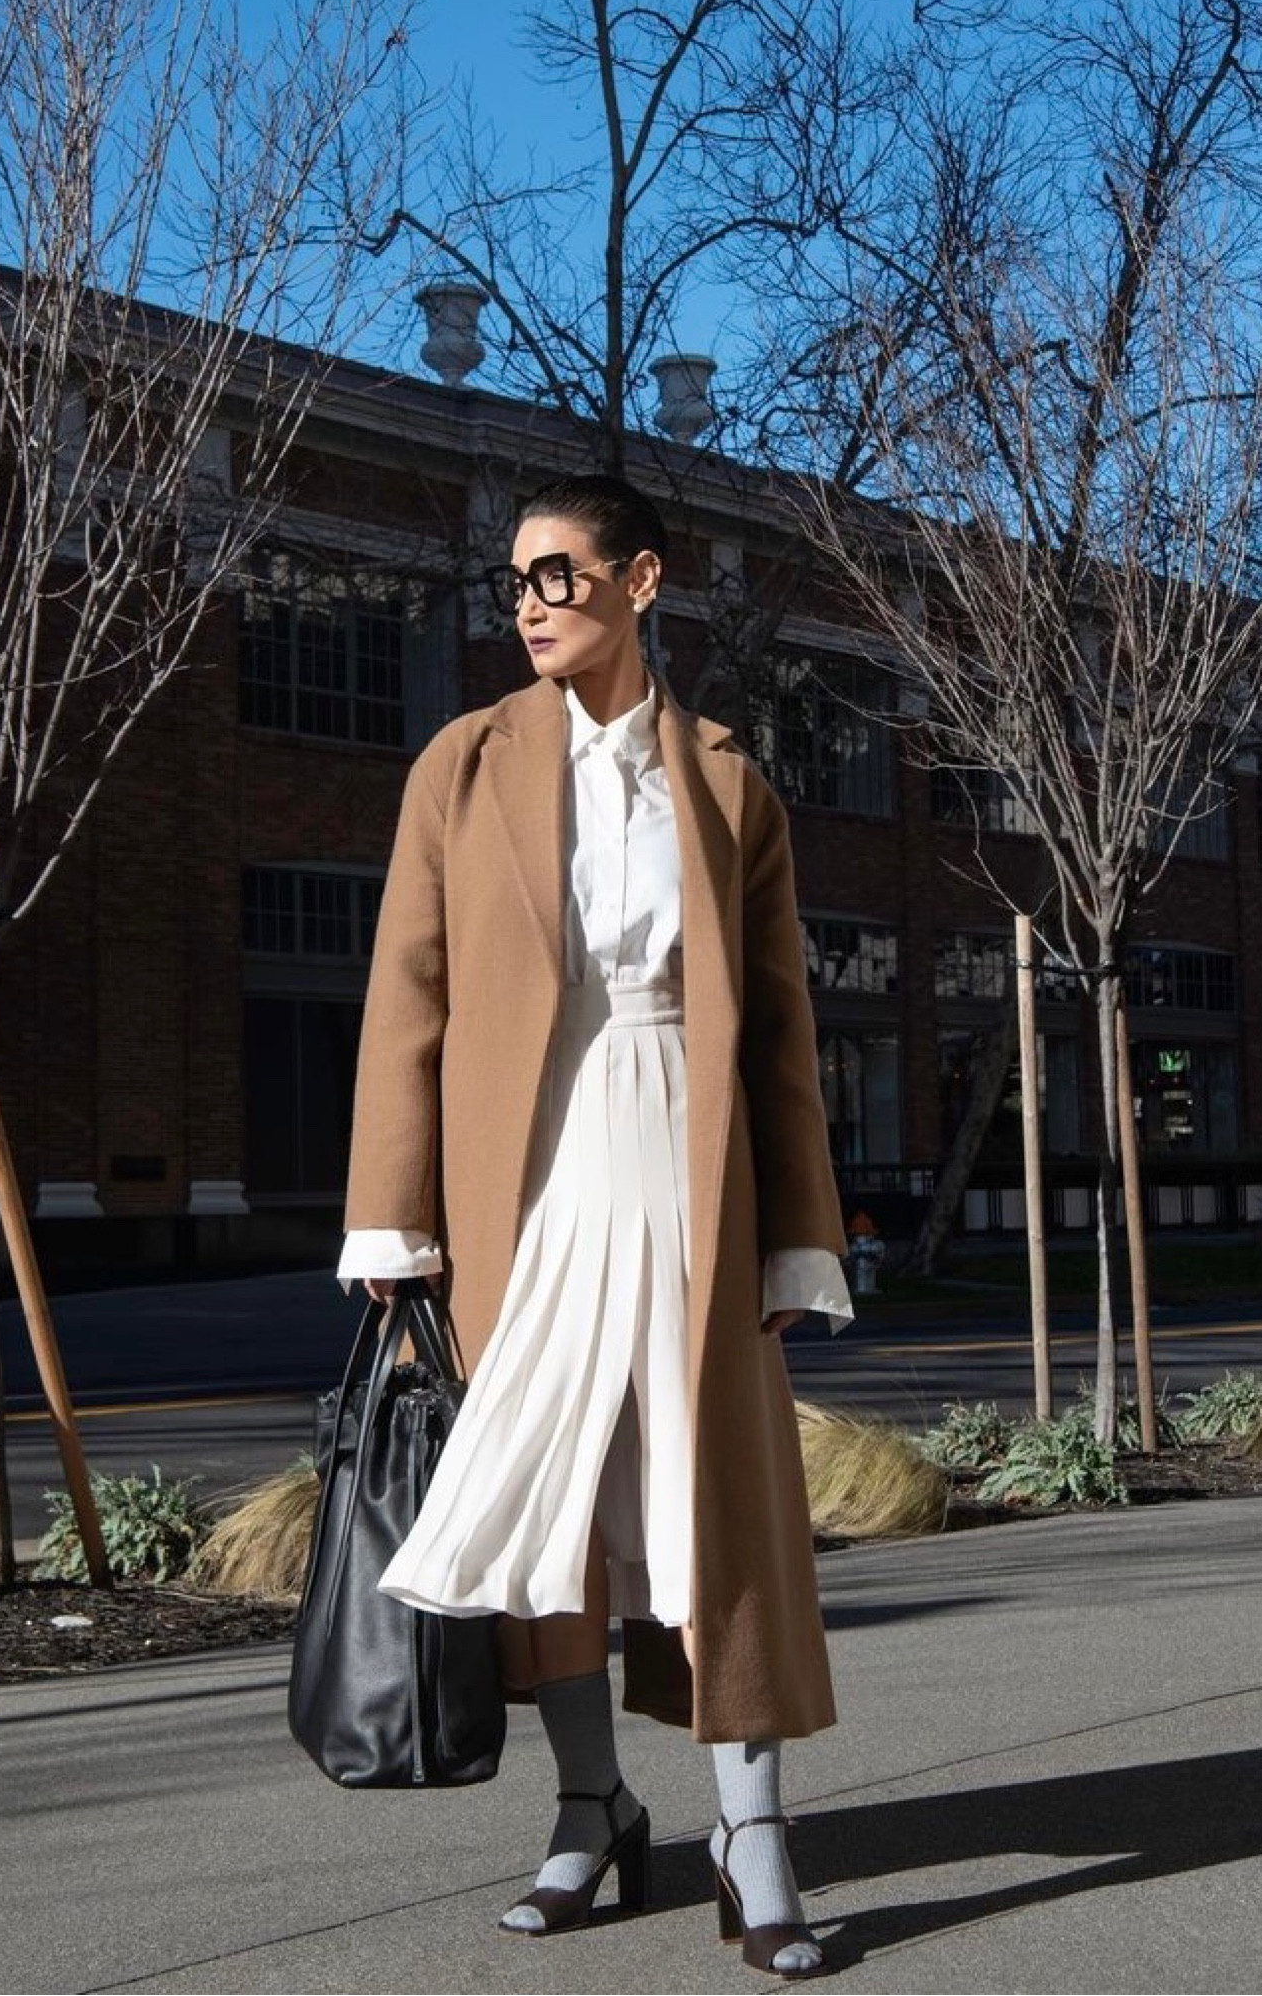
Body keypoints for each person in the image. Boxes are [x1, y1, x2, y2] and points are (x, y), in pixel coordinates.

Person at [336, 472, 853, 1981]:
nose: (534, 604)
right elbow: (405, 1000)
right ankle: (593, 1809)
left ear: (644, 581)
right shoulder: (462, 763)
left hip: (690, 1166)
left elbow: (781, 1040)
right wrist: (393, 1221)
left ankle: (753, 1841)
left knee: (716, 1507)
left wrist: (794, 1239)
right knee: (548, 1500)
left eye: (560, 574)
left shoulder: (727, 778)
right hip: (526, 1177)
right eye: (516, 583)